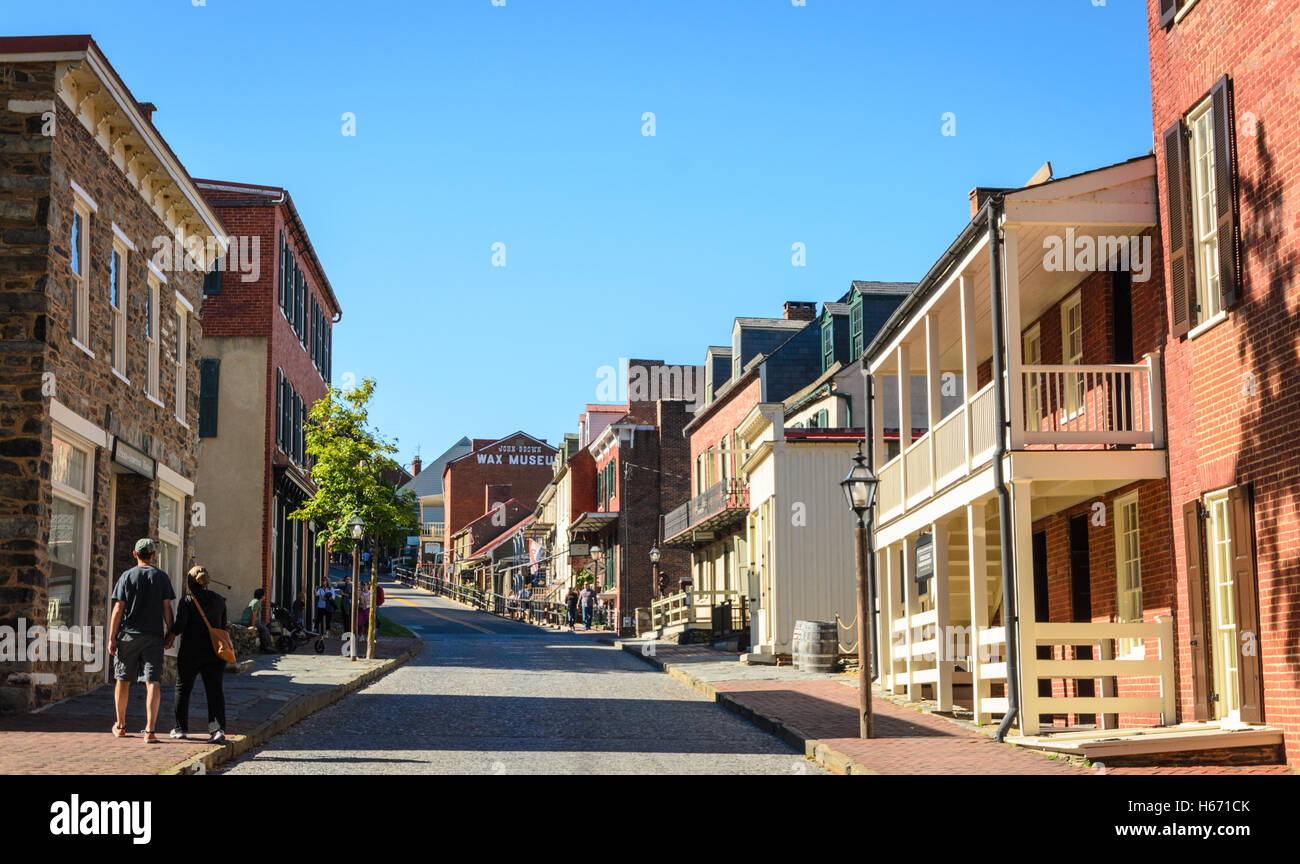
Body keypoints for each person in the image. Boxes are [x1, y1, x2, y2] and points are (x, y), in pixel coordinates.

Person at [108, 538, 175, 744]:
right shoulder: (161, 577)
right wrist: (171, 633)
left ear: (135, 554)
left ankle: (120, 726)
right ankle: (150, 730)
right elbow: (167, 607)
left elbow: (118, 608)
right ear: (153, 555)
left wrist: (111, 637)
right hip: (153, 635)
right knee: (152, 681)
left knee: (122, 679)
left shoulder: (127, 576)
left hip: (128, 635)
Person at [165, 566, 228, 743]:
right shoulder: (219, 600)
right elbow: (223, 627)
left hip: (191, 651)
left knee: (183, 688)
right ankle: (217, 730)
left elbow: (180, 626)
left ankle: (180, 729)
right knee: (215, 691)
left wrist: (168, 638)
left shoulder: (187, 600)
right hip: (215, 652)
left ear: (190, 582)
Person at [241, 588, 273, 652]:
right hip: (248, 621)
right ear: (261, 596)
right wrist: (253, 626)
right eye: (264, 594)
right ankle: (266, 647)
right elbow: (254, 616)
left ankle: (267, 645)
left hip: (250, 621)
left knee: (266, 626)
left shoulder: (256, 601)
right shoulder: (256, 602)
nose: (265, 596)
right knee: (264, 629)